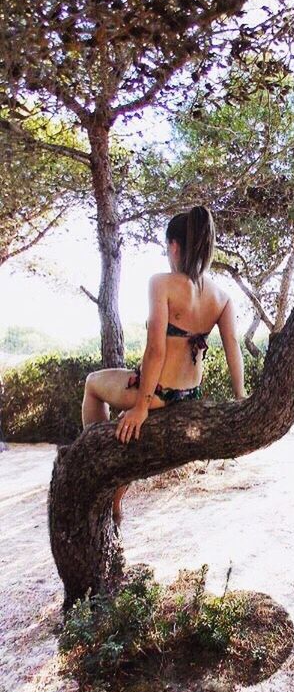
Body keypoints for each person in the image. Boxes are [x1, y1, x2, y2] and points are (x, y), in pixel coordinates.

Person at [82, 205, 245, 525]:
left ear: (174, 246)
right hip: (189, 397)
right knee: (121, 405)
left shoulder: (162, 283)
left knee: (92, 384)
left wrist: (142, 407)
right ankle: (115, 492)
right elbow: (233, 348)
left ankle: (101, 464)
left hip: (157, 394)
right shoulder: (222, 297)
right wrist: (241, 399)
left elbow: (156, 350)